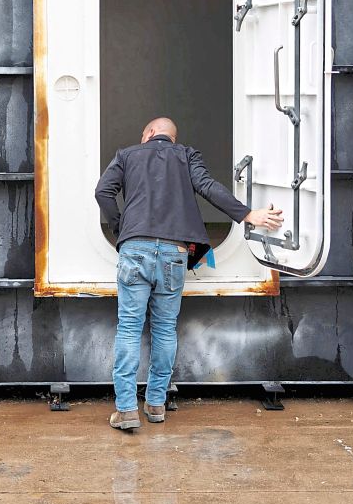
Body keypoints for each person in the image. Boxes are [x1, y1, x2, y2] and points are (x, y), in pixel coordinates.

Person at [94, 117, 283, 431]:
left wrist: (120, 228)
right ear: (171, 137)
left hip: (135, 248)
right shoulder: (186, 155)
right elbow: (208, 187)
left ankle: (126, 409)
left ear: (150, 133)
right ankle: (156, 405)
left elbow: (103, 192)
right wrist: (249, 215)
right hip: (173, 253)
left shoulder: (127, 155)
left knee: (129, 328)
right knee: (165, 329)